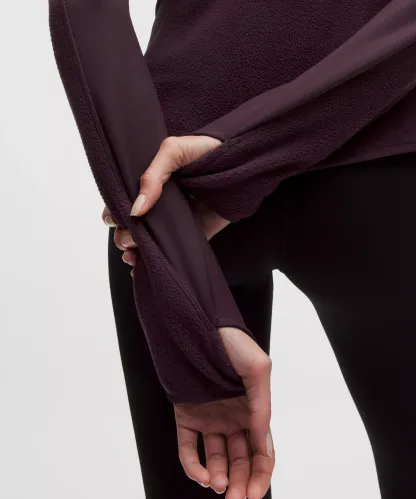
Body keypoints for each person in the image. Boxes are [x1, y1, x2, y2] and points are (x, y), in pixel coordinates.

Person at [98, 1, 415, 498]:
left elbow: (85, 21)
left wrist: (144, 197)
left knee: (216, 474)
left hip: (175, 179)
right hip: (377, 159)